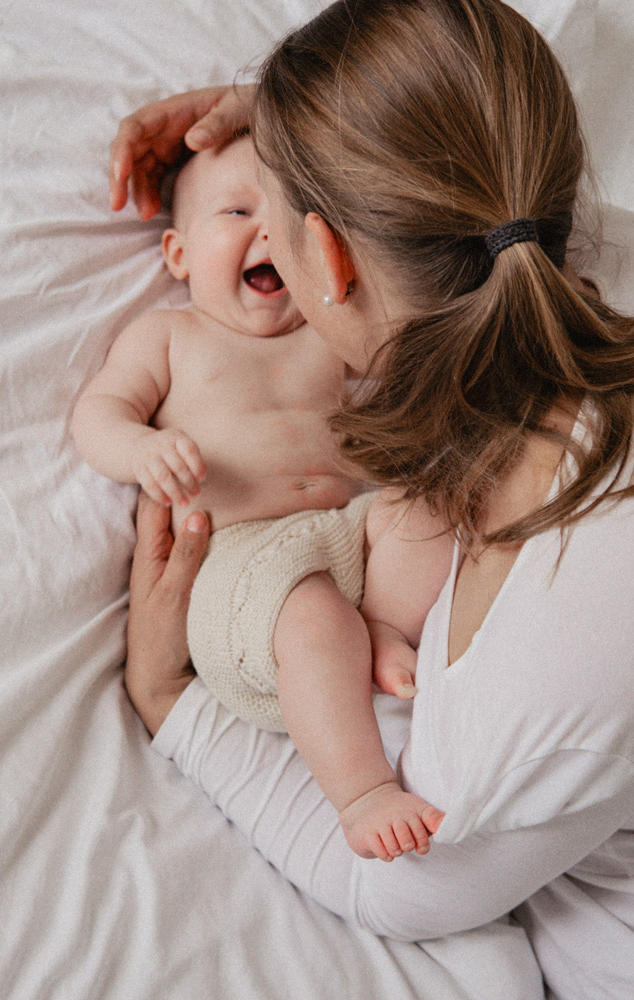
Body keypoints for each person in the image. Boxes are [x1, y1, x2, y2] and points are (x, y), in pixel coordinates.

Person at [111, 1, 634, 996]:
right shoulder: (546, 295)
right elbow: (473, 134)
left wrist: (168, 697)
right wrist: (288, 119)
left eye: (265, 211)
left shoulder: (543, 681)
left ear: (331, 261)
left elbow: (397, 888)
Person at [74, 133, 452, 862]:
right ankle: (362, 791)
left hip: (344, 531)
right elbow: (99, 415)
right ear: (179, 257)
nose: (267, 229)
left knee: (427, 508)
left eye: (285, 212)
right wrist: (143, 449)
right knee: (312, 619)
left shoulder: (326, 331)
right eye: (236, 210)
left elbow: (403, 352)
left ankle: (377, 626)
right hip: (244, 567)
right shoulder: (170, 336)